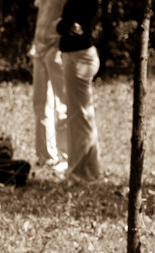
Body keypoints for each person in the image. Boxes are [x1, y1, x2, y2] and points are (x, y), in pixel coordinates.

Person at [58, 0, 101, 181]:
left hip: (79, 59)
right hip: (80, 57)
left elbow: (63, 26)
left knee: (80, 118)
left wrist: (62, 25)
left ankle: (79, 173)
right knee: (81, 116)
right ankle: (90, 170)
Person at [31, 0, 68, 173]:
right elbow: (42, 16)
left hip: (56, 49)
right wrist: (35, 44)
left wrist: (59, 43)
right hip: (39, 49)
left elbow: (71, 15)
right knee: (40, 104)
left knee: (63, 105)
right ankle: (45, 156)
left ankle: (67, 156)